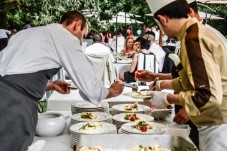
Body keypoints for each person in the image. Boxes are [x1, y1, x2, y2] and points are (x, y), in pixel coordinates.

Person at [0, 11, 124, 151]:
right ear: (77, 25)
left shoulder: (26, 33)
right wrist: (111, 91)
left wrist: (49, 85)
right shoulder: (65, 37)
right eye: (83, 36)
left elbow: (11, 74)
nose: (81, 41)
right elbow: (91, 90)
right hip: (14, 106)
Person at [142, 0, 227, 151]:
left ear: (163, 19)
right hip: (215, 123)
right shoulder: (195, 32)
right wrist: (162, 84)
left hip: (218, 126)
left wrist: (166, 98)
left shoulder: (193, 38)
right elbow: (194, 80)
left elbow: (208, 95)